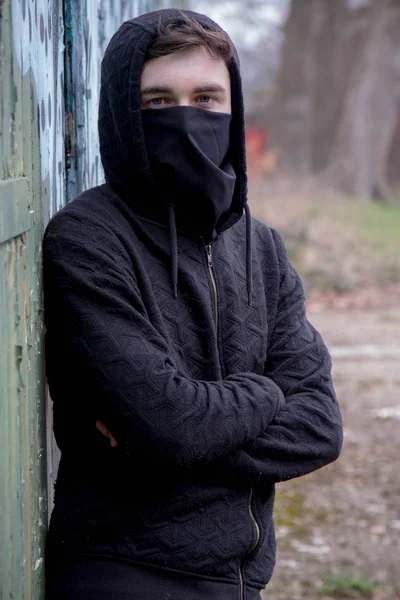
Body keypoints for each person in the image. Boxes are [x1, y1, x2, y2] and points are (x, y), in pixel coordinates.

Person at [43, 8, 343, 600]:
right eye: (158, 102)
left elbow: (320, 427)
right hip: (123, 574)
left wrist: (165, 439)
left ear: (233, 111)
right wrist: (266, 391)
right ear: (122, 114)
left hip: (238, 582)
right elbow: (173, 426)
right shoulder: (86, 239)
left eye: (206, 98)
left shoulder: (260, 246)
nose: (185, 117)